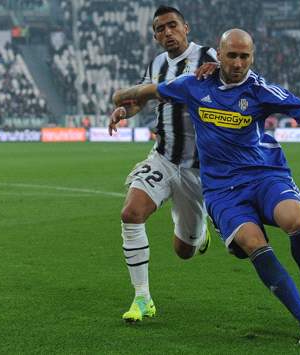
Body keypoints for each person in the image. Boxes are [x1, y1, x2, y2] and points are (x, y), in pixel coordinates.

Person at [110, 29, 300, 347]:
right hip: (222, 190)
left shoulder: (259, 90)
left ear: (253, 56)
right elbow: (148, 92)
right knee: (253, 243)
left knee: (296, 219)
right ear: (218, 56)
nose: (238, 63)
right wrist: (121, 101)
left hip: (265, 175)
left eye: (244, 56)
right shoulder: (193, 86)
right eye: (232, 55)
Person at [110, 6, 217, 323]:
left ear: (186, 27)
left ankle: (199, 236)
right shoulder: (156, 64)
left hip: (197, 169)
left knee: (184, 250)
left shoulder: (210, 56)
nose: (167, 32)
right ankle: (142, 299)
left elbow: (234, 80)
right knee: (131, 213)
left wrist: (219, 71)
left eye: (172, 25)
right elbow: (139, 99)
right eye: (160, 29)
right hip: (164, 156)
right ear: (155, 35)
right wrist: (124, 112)